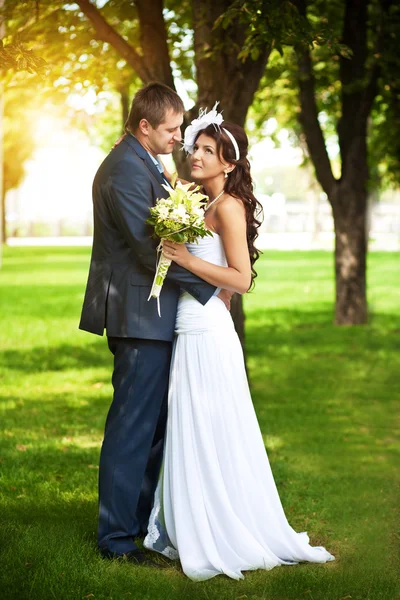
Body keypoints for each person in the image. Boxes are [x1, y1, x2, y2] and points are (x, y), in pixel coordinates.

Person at [143, 107, 335, 580]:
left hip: (207, 330)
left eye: (210, 151)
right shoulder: (198, 201)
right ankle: (195, 521)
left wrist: (185, 259)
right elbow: (224, 275)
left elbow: (242, 280)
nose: (198, 155)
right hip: (192, 325)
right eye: (197, 147)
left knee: (212, 422)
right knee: (193, 423)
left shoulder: (228, 206)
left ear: (229, 162)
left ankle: (223, 529)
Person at [79, 83, 230, 567]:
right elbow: (150, 250)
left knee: (153, 427)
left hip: (155, 315)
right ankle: (116, 540)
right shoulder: (124, 169)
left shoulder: (144, 162)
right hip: (138, 316)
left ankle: (137, 526)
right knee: (133, 427)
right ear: (145, 125)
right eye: (172, 128)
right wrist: (213, 288)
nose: (178, 136)